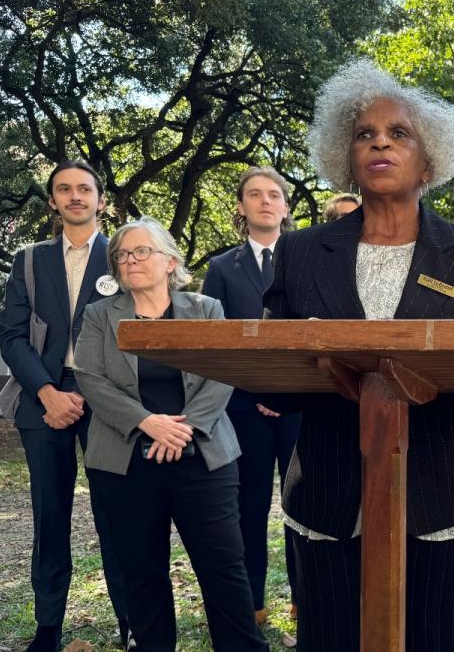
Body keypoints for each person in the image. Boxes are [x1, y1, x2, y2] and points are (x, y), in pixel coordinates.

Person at [261, 59, 454, 652]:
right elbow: (272, 374)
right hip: (329, 496)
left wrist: (414, 383)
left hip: (449, 495)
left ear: (428, 161)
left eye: (398, 133)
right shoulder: (299, 253)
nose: (380, 141)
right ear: (345, 159)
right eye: (364, 134)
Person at [75, 217, 267, 652]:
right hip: (125, 462)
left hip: (203, 456)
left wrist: (183, 428)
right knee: (141, 572)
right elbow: (91, 377)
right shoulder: (99, 315)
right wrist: (147, 422)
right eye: (122, 254)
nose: (131, 260)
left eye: (142, 251)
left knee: (223, 568)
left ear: (170, 262)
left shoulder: (205, 309)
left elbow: (221, 374)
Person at [0, 160, 128, 652]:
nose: (75, 196)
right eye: (64, 190)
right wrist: (47, 393)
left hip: (108, 399)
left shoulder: (123, 256)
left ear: (100, 198)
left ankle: (130, 622)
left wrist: (92, 392)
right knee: (49, 514)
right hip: (43, 399)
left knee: (116, 513)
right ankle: (48, 626)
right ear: (52, 201)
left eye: (84, 189)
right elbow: (10, 335)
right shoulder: (28, 260)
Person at [201, 166, 301, 628]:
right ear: (241, 208)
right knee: (249, 508)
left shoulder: (309, 260)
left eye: (274, 194)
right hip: (243, 408)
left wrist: (285, 389)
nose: (265, 201)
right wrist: (259, 388)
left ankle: (307, 604)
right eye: (254, 195)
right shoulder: (221, 268)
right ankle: (252, 609)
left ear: (286, 206)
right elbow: (217, 343)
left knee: (303, 505)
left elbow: (317, 332)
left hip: (302, 405)